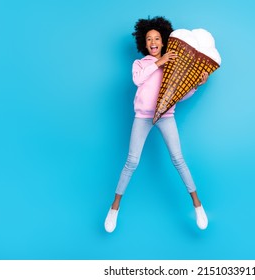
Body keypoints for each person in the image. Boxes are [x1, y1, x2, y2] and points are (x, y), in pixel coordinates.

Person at [104, 16, 209, 233]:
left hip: (166, 117)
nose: (153, 42)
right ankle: (114, 207)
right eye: (149, 39)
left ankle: (197, 205)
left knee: (178, 159)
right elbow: (138, 80)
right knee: (131, 162)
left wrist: (196, 85)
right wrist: (158, 63)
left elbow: (179, 95)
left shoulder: (173, 66)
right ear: (144, 43)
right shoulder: (140, 64)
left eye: (157, 38)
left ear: (164, 42)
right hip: (142, 117)